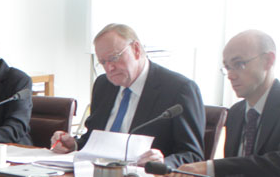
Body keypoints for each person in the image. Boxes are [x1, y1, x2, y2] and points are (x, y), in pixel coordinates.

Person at [173, 30, 280, 177]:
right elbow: (238, 174)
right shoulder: (236, 113)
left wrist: (210, 168)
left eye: (239, 64)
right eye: (227, 67)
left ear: (268, 61)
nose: (230, 75)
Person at [50, 23, 205, 169]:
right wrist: (73, 145)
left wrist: (163, 162)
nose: (109, 68)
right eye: (103, 62)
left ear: (136, 49)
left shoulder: (179, 89)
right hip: (96, 176)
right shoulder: (103, 85)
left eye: (114, 58)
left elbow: (193, 156)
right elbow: (95, 140)